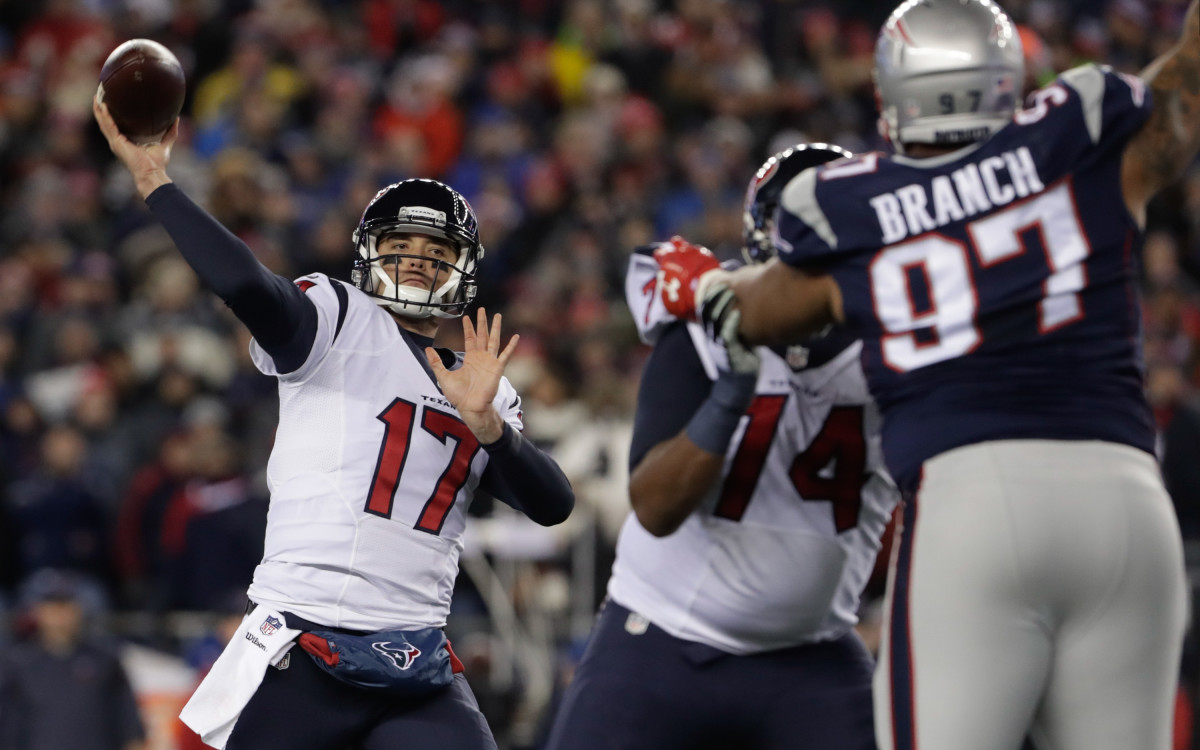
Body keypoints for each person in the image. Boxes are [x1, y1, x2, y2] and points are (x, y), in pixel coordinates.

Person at [653, 1, 1200, 749]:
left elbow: (765, 311)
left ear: (890, 97)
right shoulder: (1080, 128)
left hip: (974, 501)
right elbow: (1182, 89)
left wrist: (707, 287)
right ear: (1008, 79)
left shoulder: (851, 203)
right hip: (1128, 499)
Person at [93, 94, 575, 750]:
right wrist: (157, 183)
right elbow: (249, 288)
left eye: (432, 249)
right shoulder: (341, 319)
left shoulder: (482, 380)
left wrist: (489, 425)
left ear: (459, 266)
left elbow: (552, 504)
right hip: (307, 646)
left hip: (418, 659)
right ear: (370, 253)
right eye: (399, 244)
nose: (414, 258)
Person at [545, 145, 900, 750]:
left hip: (812, 655)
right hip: (661, 638)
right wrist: (732, 393)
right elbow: (654, 508)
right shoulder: (705, 333)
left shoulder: (896, 348)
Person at [0, 569, 146, 750]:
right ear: (37, 611)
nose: (60, 615)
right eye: (52, 605)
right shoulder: (19, 665)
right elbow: (8, 731)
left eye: (66, 604)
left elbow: (130, 728)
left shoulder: (105, 661)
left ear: (79, 608)